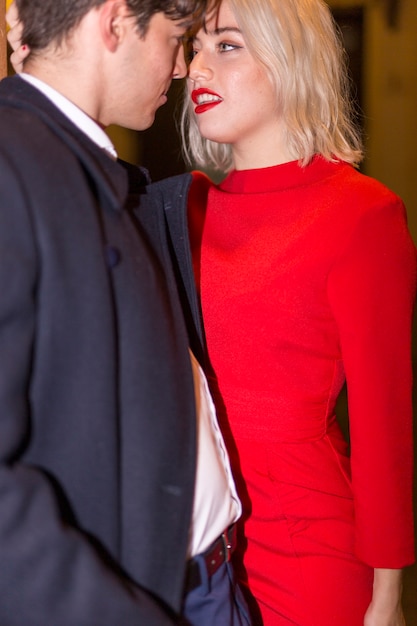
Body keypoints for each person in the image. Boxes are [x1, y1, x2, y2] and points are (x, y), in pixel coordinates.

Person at [137, 0, 417, 624]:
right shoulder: (178, 212)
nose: (195, 69)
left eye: (227, 46)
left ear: (291, 58)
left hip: (305, 555)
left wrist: (387, 599)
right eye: (195, 46)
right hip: (190, 552)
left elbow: (383, 430)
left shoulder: (361, 216)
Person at [1, 1, 252, 625]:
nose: (177, 69)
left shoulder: (83, 164)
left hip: (203, 580)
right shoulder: (14, 169)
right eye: (174, 38)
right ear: (114, 24)